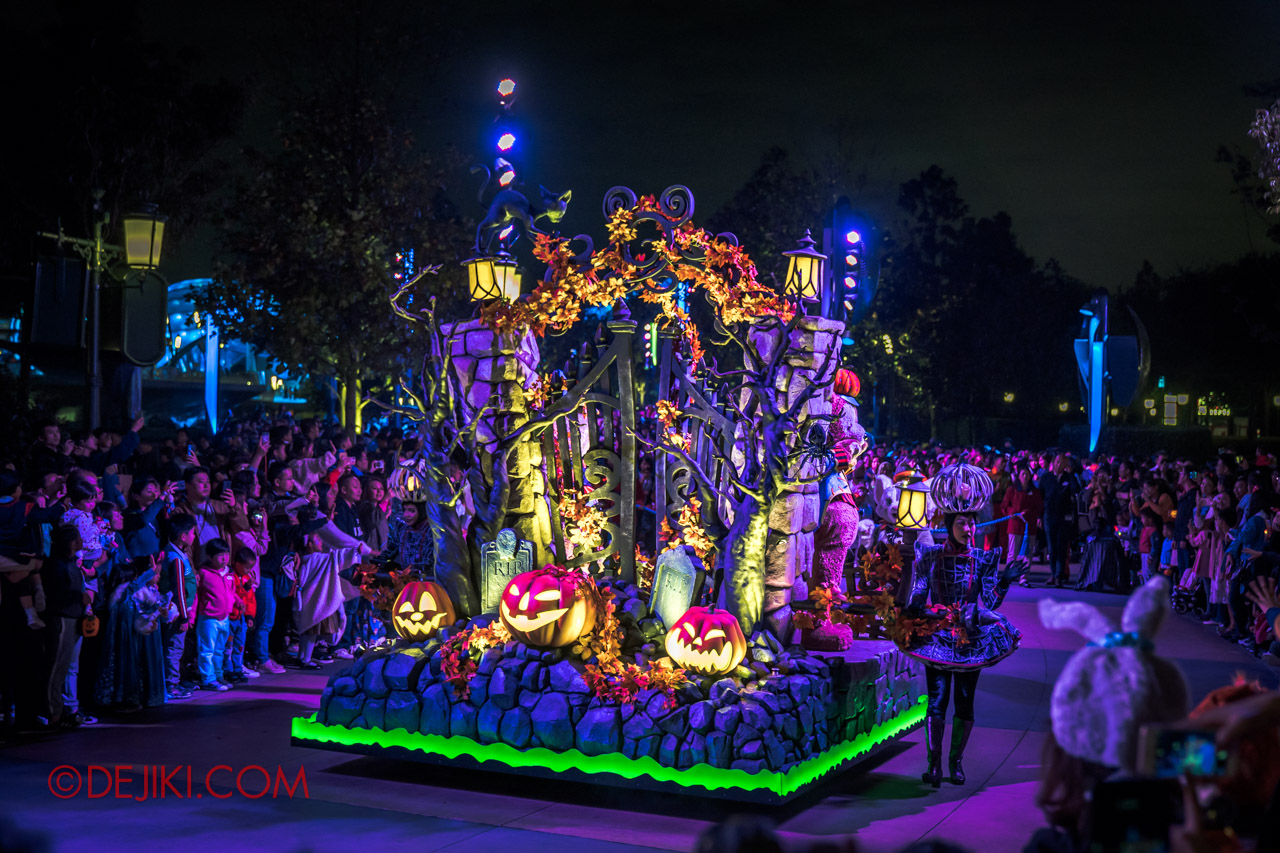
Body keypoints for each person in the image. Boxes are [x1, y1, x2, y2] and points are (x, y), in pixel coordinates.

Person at [905, 463, 1028, 788]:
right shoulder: (929, 555)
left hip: (970, 637)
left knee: (965, 699)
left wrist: (1005, 579)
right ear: (949, 523)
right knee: (936, 698)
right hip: (936, 635)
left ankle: (955, 763)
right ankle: (934, 765)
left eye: (973, 522)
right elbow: (918, 593)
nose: (970, 528)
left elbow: (991, 599)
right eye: (962, 522)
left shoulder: (983, 559)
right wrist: (917, 604)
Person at [40, 524, 88, 729]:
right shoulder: (55, 565)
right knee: (56, 667)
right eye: (77, 538)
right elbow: (58, 594)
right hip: (61, 619)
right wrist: (80, 598)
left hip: (74, 618)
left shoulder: (71, 564)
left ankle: (64, 709)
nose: (80, 541)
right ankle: (53, 713)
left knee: (68, 667)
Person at [159, 515, 198, 700]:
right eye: (192, 533)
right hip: (176, 613)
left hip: (180, 611)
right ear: (183, 536)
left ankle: (174, 681)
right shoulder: (175, 558)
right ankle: (170, 685)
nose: (194, 536)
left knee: (177, 647)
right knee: (174, 648)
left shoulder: (178, 552)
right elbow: (179, 590)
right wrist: (184, 616)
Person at [194, 538, 236, 691]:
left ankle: (218, 676)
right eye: (220, 555)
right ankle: (208, 679)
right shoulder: (204, 573)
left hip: (225, 617)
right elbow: (197, 595)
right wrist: (192, 616)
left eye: (226, 554)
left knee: (220, 649)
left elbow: (232, 591)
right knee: (207, 650)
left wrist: (236, 601)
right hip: (209, 618)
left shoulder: (229, 573)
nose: (224, 558)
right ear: (210, 557)